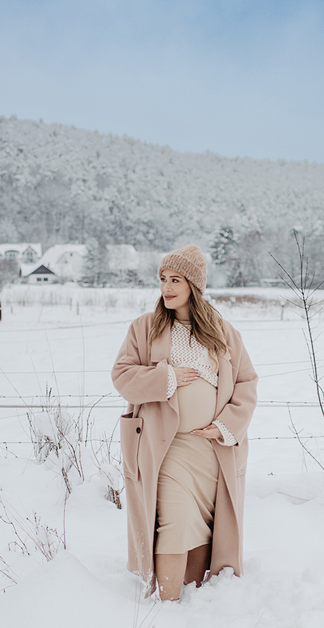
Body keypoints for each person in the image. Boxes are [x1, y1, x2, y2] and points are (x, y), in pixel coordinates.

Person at [111, 245, 258, 600]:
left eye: (175, 279)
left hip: (210, 450)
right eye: (163, 279)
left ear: (194, 283)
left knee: (199, 529)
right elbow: (122, 375)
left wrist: (224, 425)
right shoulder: (145, 328)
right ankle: (167, 604)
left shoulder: (223, 332)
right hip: (166, 446)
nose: (167, 287)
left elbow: (246, 383)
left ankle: (187, 603)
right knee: (174, 523)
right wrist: (168, 377)